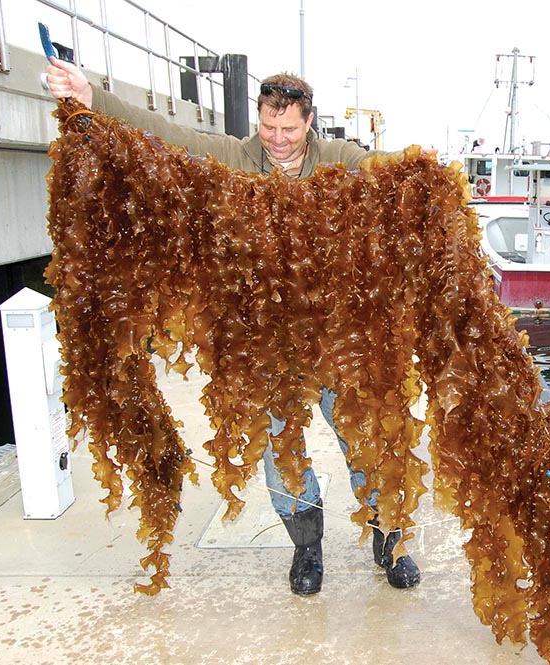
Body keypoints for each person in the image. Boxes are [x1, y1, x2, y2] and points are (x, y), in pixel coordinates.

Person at [44, 58, 421, 595]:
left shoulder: (337, 160)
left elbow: (384, 166)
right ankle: (307, 549)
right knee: (279, 453)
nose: (278, 139)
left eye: (289, 128)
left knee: (366, 438)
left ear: (309, 121)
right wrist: (92, 97)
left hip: (334, 337)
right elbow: (162, 133)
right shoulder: (233, 158)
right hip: (264, 343)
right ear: (259, 118)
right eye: (269, 126)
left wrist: (419, 164)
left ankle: (391, 541)